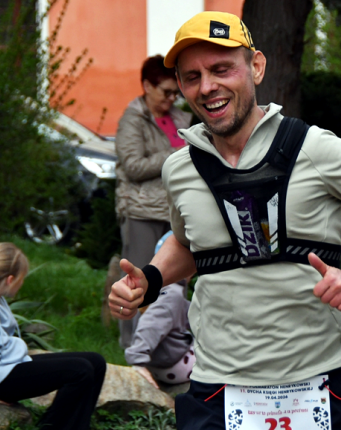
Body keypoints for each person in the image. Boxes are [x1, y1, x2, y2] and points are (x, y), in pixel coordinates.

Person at [108, 11, 341, 430]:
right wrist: (153, 278)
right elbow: (190, 244)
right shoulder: (180, 168)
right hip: (218, 388)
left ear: (256, 66)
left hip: (323, 381)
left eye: (221, 69)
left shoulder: (314, 148)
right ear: (181, 85)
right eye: (192, 76)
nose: (208, 86)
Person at [0, 243, 106, 430]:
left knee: (95, 362)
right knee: (79, 371)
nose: (22, 283)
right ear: (10, 279)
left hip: (9, 367)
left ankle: (68, 425)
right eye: (21, 278)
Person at [115, 54, 192, 349]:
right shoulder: (132, 119)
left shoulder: (179, 117)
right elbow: (133, 166)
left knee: (174, 282)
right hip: (141, 212)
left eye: (176, 92)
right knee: (136, 282)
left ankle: (167, 348)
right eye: (166, 91)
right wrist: (177, 154)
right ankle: (131, 350)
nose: (172, 98)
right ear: (147, 85)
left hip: (176, 212)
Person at [125, 231, 195, 389]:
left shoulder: (160, 289)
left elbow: (193, 315)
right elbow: (151, 323)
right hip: (175, 365)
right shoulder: (171, 294)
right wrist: (137, 360)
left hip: (163, 362)